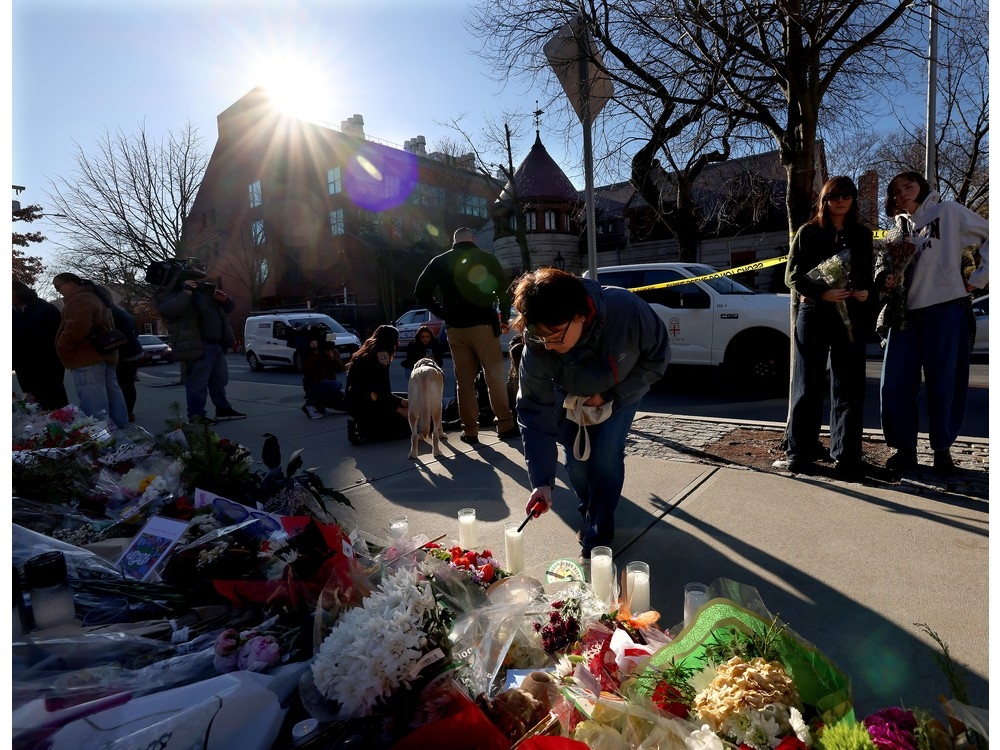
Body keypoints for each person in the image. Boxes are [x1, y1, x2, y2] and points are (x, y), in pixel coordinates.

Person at [514, 268, 670, 559]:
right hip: (569, 397)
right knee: (577, 465)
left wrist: (610, 395)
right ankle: (590, 509)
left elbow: (657, 358)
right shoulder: (538, 345)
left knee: (606, 456)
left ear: (580, 316)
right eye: (539, 337)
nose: (549, 346)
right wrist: (541, 483)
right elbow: (533, 411)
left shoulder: (626, 311)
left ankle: (598, 535)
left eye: (555, 336)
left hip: (621, 392)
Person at [878, 171, 988, 475]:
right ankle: (905, 451)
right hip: (905, 316)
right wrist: (886, 279)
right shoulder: (896, 231)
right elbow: (886, 269)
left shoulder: (949, 211)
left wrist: (979, 279)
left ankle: (943, 451)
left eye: (908, 186)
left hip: (946, 310)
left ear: (922, 186)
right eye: (896, 191)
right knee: (895, 384)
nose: (902, 193)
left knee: (945, 384)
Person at [774, 176, 874, 480]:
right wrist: (822, 293)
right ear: (825, 200)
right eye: (834, 196)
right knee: (808, 384)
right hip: (814, 312)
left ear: (854, 199)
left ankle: (846, 456)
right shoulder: (808, 232)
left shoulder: (862, 235)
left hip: (849, 316)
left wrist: (864, 291)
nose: (840, 200)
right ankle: (800, 452)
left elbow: (867, 275)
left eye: (846, 195)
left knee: (848, 386)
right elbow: (791, 275)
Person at [414, 227, 518, 445]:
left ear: (454, 241)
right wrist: (504, 318)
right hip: (483, 325)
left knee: (464, 381)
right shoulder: (486, 258)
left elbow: (421, 292)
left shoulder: (438, 261)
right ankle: (505, 425)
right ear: (473, 239)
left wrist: (444, 313)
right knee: (494, 376)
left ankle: (470, 430)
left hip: (455, 328)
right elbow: (503, 291)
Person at [153, 271, 246, 425]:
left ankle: (223, 409)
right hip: (196, 344)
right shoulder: (172, 293)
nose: (197, 278)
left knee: (219, 380)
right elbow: (168, 310)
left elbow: (229, 308)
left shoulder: (204, 291)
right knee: (197, 382)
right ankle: (196, 415)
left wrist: (225, 300)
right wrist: (186, 292)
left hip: (216, 343)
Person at [52, 273, 129, 427]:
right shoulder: (95, 296)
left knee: (94, 402)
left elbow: (76, 328)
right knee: (112, 394)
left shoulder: (80, 299)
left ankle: (99, 438)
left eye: (58, 286)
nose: (57, 290)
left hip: (86, 356)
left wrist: (62, 345)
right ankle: (121, 431)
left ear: (71, 283)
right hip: (102, 354)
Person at [344, 325, 410, 445]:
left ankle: (363, 425)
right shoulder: (382, 355)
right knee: (405, 428)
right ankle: (364, 430)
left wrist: (399, 401)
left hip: (356, 400)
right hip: (367, 402)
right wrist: (399, 408)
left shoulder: (368, 351)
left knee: (403, 397)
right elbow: (383, 390)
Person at [13, 278, 69, 410]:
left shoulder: (43, 309)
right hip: (24, 367)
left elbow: (24, 329)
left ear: (19, 293)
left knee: (54, 402)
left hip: (46, 364)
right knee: (35, 405)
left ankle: (66, 425)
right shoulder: (16, 313)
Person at [111, 304, 144, 422]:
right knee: (127, 384)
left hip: (125, 353)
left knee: (123, 384)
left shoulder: (111, 313)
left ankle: (125, 413)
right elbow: (135, 331)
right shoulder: (122, 312)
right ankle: (128, 412)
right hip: (132, 352)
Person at [302, 340, 346, 418]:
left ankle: (321, 405)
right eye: (327, 350)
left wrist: (332, 358)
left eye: (330, 350)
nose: (328, 352)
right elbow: (306, 369)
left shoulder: (333, 353)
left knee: (346, 403)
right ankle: (310, 404)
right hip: (314, 385)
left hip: (328, 387)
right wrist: (315, 353)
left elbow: (340, 368)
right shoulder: (315, 354)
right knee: (336, 385)